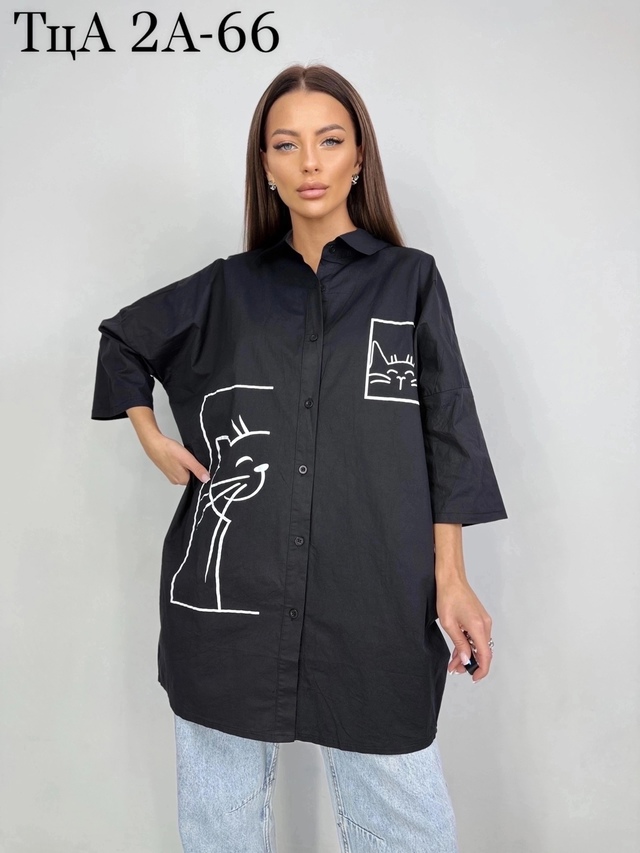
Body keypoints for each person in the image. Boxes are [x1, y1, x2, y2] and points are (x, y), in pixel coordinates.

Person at [91, 63, 507, 853]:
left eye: (330, 140)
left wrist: (450, 577)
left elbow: (447, 429)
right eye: (287, 144)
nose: (310, 162)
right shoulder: (228, 289)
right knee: (219, 829)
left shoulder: (408, 282)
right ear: (266, 166)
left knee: (408, 824)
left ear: (359, 157)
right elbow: (124, 340)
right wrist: (150, 435)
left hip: (374, 600)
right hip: (229, 607)